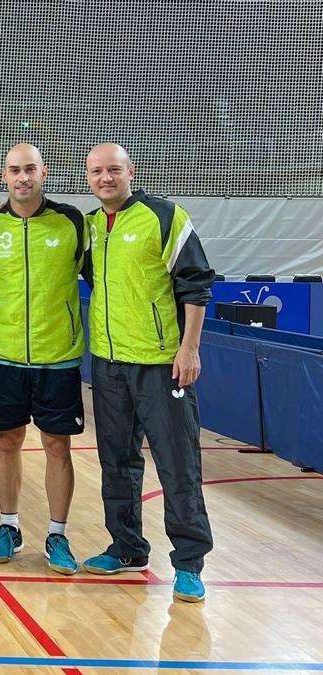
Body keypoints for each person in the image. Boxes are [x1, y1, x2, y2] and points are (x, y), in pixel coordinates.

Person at [81, 143, 215, 603]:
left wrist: (189, 348)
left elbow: (196, 284)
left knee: (178, 465)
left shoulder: (165, 216)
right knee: (117, 462)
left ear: (130, 172)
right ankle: (126, 547)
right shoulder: (93, 227)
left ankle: (189, 563)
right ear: (87, 178)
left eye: (113, 169)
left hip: (162, 366)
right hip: (109, 365)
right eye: (97, 171)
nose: (105, 178)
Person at [0, 144, 88, 576]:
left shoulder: (72, 222)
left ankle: (57, 534)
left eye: (30, 169)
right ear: (3, 177)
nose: (22, 177)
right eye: (14, 170)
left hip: (56, 357)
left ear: (44, 173)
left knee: (57, 445)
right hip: (3, 355)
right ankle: (9, 527)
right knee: (7, 443)